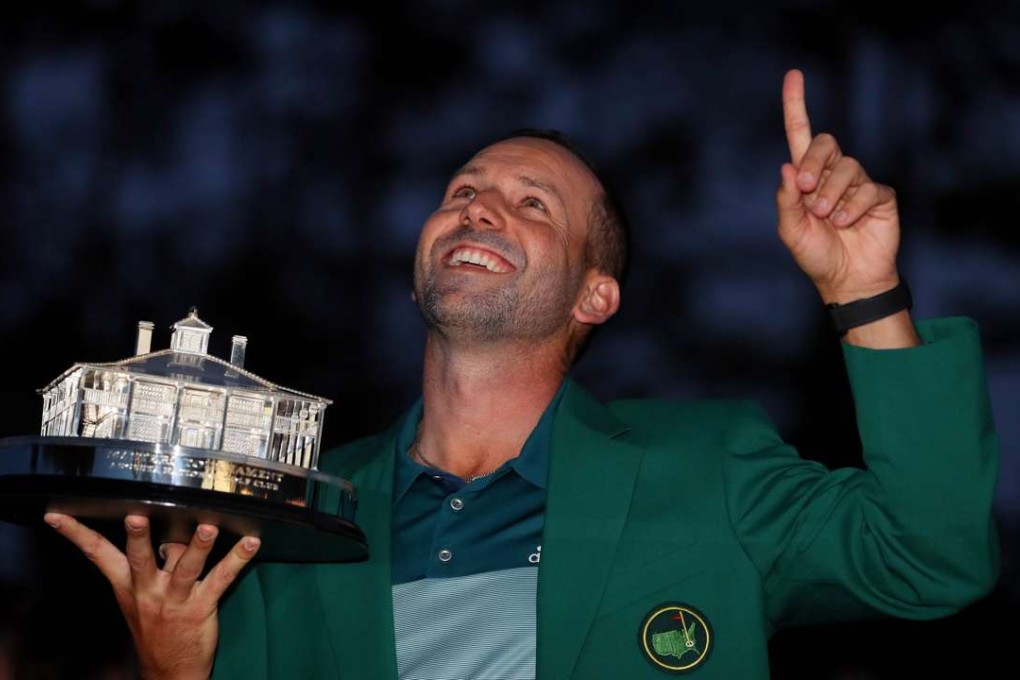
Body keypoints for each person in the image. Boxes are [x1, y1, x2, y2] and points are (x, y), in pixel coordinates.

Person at [44, 69, 1000, 679]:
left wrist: (867, 292)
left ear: (595, 296)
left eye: (530, 204)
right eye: (462, 193)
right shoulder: (291, 521)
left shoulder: (709, 469)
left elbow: (933, 560)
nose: (478, 210)